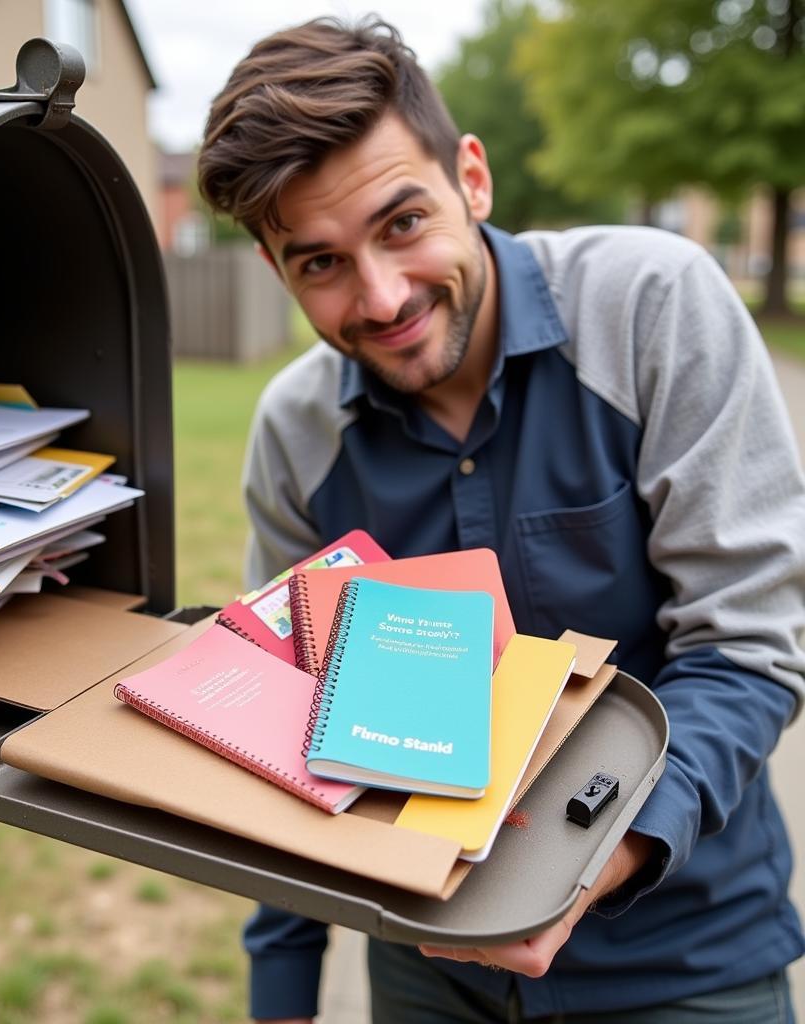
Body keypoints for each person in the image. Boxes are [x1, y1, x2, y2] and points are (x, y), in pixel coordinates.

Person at [196, 16, 805, 1024]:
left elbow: (748, 644)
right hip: (424, 969)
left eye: (402, 223)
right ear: (274, 270)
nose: (381, 296)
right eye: (321, 264)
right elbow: (287, 724)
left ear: (470, 179)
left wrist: (574, 870)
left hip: (684, 955)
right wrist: (283, 987)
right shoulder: (294, 434)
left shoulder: (653, 307)